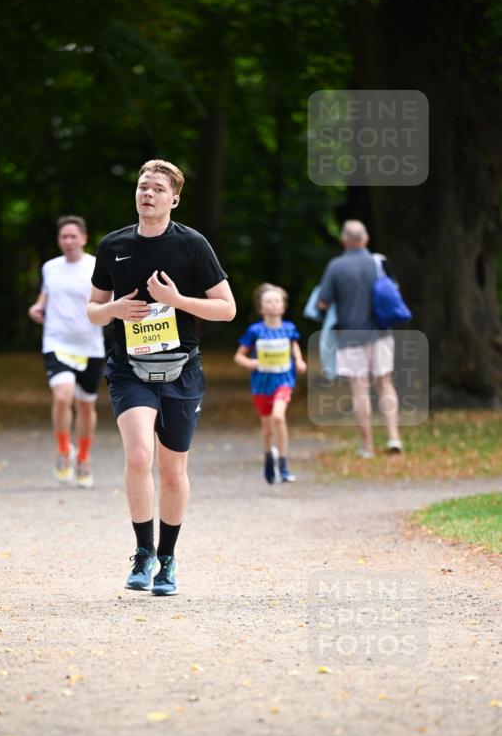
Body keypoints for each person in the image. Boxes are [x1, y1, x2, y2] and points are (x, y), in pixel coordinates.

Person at [87, 159, 236, 595]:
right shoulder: (113, 245)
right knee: (138, 456)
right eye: (141, 186)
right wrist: (113, 310)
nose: (147, 193)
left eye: (156, 188)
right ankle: (143, 553)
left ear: (174, 198)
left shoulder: (192, 245)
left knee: (173, 471)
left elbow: (227, 309)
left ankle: (168, 559)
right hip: (128, 368)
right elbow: (93, 310)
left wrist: (177, 300)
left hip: (181, 370)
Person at [28, 215, 104, 488]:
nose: (69, 241)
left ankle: (83, 457)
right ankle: (63, 449)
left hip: (90, 346)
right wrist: (37, 307)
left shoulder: (97, 266)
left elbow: (107, 301)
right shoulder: (51, 267)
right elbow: (46, 296)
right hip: (57, 343)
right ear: (59, 240)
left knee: (86, 405)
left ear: (84, 238)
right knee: (63, 396)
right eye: (64, 237)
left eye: (74, 236)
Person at [317, 220, 402, 457]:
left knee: (359, 389)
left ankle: (367, 445)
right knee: (385, 383)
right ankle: (394, 438)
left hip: (350, 335)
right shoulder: (380, 262)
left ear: (344, 240)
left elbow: (322, 302)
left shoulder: (336, 266)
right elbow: (394, 292)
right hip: (381, 333)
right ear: (365, 239)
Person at [234, 282, 306, 484]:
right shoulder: (255, 331)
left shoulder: (289, 329)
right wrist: (249, 362)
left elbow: (295, 347)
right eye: (269, 301)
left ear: (283, 306)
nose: (273, 304)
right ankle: (268, 456)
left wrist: (299, 361)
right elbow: (238, 356)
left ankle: (283, 465)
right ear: (261, 308)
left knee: (278, 417)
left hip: (284, 381)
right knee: (267, 429)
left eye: (277, 301)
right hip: (261, 384)